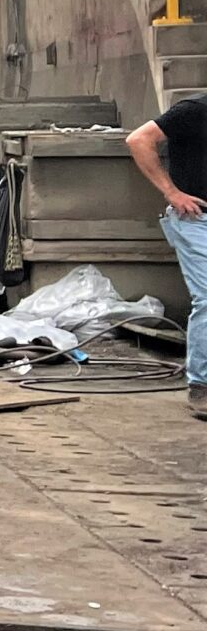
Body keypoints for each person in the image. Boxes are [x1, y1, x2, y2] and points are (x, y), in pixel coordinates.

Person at [129, 98, 207, 417]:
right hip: (197, 219)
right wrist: (171, 192)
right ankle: (201, 385)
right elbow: (139, 139)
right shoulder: (193, 112)